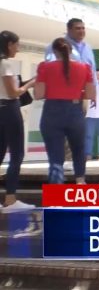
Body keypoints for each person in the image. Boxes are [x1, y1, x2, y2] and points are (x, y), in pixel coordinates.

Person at [35, 38, 95, 184]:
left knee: (56, 157)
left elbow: (38, 94)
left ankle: (56, 197)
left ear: (55, 52)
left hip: (52, 111)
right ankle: (80, 182)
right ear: (70, 50)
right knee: (78, 150)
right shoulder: (84, 67)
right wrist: (74, 94)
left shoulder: (44, 67)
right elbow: (91, 94)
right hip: (75, 111)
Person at [0, 31, 36, 211]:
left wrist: (31, 81)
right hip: (9, 109)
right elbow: (13, 92)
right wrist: (30, 84)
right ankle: (10, 199)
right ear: (9, 45)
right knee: (17, 154)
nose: (18, 48)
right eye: (16, 44)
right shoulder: (6, 64)